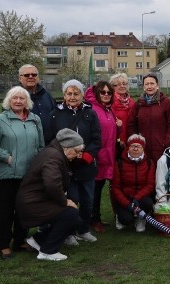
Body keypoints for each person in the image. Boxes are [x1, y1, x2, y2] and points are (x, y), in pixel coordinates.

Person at [0, 87, 45, 260]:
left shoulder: (35, 120)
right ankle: (3, 244)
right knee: (6, 211)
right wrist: (6, 157)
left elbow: (41, 146)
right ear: (8, 101)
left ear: (27, 101)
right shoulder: (0, 119)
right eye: (15, 98)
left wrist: (39, 165)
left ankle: (20, 241)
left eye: (22, 98)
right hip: (8, 174)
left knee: (24, 210)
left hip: (29, 174)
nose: (18, 101)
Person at [16, 129, 85, 261]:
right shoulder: (54, 156)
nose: (77, 155)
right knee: (71, 215)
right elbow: (52, 184)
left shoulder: (54, 153)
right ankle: (48, 251)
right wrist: (64, 201)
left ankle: (37, 241)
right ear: (66, 148)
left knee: (73, 216)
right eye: (76, 151)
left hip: (35, 201)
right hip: (33, 204)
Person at [48, 79, 102, 244]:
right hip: (66, 166)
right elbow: (50, 138)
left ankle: (83, 229)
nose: (72, 97)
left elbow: (96, 138)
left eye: (76, 93)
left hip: (86, 165)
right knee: (72, 199)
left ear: (82, 95)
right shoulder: (55, 114)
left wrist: (87, 155)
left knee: (88, 200)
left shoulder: (89, 113)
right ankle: (69, 232)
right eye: (69, 93)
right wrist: (63, 155)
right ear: (64, 95)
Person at [84, 81, 119, 233]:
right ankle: (92, 219)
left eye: (109, 92)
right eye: (102, 92)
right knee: (94, 190)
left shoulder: (108, 110)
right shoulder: (93, 109)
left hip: (107, 156)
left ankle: (96, 217)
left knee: (99, 188)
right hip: (97, 156)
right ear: (97, 94)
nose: (106, 95)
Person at [127, 73, 170, 164]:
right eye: (147, 84)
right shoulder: (139, 104)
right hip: (143, 147)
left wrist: (166, 142)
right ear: (143, 87)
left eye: (152, 83)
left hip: (161, 146)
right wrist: (136, 141)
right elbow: (131, 124)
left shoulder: (165, 102)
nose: (149, 86)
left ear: (157, 86)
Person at [111, 134, 156, 233]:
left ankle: (141, 218)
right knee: (126, 220)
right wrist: (127, 204)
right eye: (133, 146)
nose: (135, 149)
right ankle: (120, 217)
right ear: (128, 148)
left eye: (138, 146)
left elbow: (150, 184)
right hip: (125, 198)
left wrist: (137, 197)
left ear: (143, 149)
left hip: (140, 198)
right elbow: (115, 187)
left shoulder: (149, 163)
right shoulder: (119, 163)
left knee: (148, 203)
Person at [18, 64, 57, 138]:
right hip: (26, 143)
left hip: (48, 143)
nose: (30, 77)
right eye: (26, 75)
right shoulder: (15, 97)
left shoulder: (47, 95)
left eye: (34, 74)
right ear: (20, 78)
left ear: (38, 77)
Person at [109, 73, 134, 151]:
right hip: (118, 140)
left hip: (131, 138)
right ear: (113, 87)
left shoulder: (131, 101)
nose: (122, 86)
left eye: (124, 83)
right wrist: (120, 138)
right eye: (119, 84)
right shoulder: (110, 102)